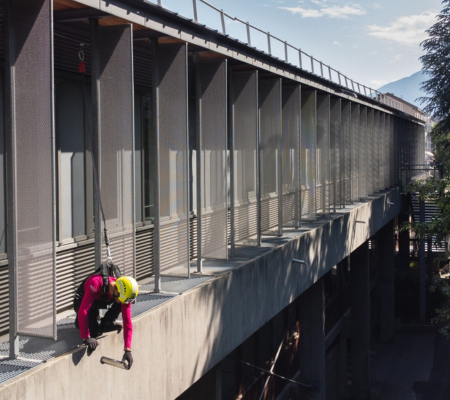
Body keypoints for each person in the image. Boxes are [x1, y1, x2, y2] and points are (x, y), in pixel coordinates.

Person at [74, 270, 139, 368]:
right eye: (122, 300)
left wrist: (128, 350)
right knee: (94, 333)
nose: (124, 303)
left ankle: (107, 323)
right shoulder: (96, 284)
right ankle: (78, 322)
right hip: (83, 301)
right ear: (116, 290)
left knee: (118, 305)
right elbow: (84, 310)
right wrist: (86, 337)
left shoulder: (124, 294)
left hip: (100, 300)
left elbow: (127, 322)